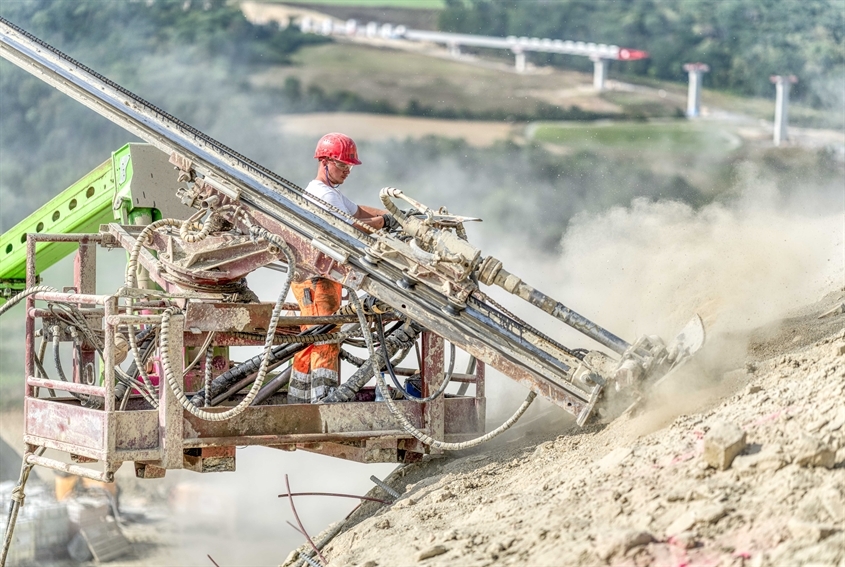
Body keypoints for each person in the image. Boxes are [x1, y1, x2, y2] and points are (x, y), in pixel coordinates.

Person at [288, 133, 396, 404]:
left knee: (312, 337)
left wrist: (390, 216)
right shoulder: (321, 195)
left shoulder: (331, 194)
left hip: (323, 278)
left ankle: (300, 400)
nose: (347, 171)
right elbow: (351, 226)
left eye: (349, 167)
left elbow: (358, 212)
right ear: (324, 161)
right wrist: (384, 225)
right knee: (322, 337)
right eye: (342, 165)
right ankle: (321, 401)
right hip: (315, 280)